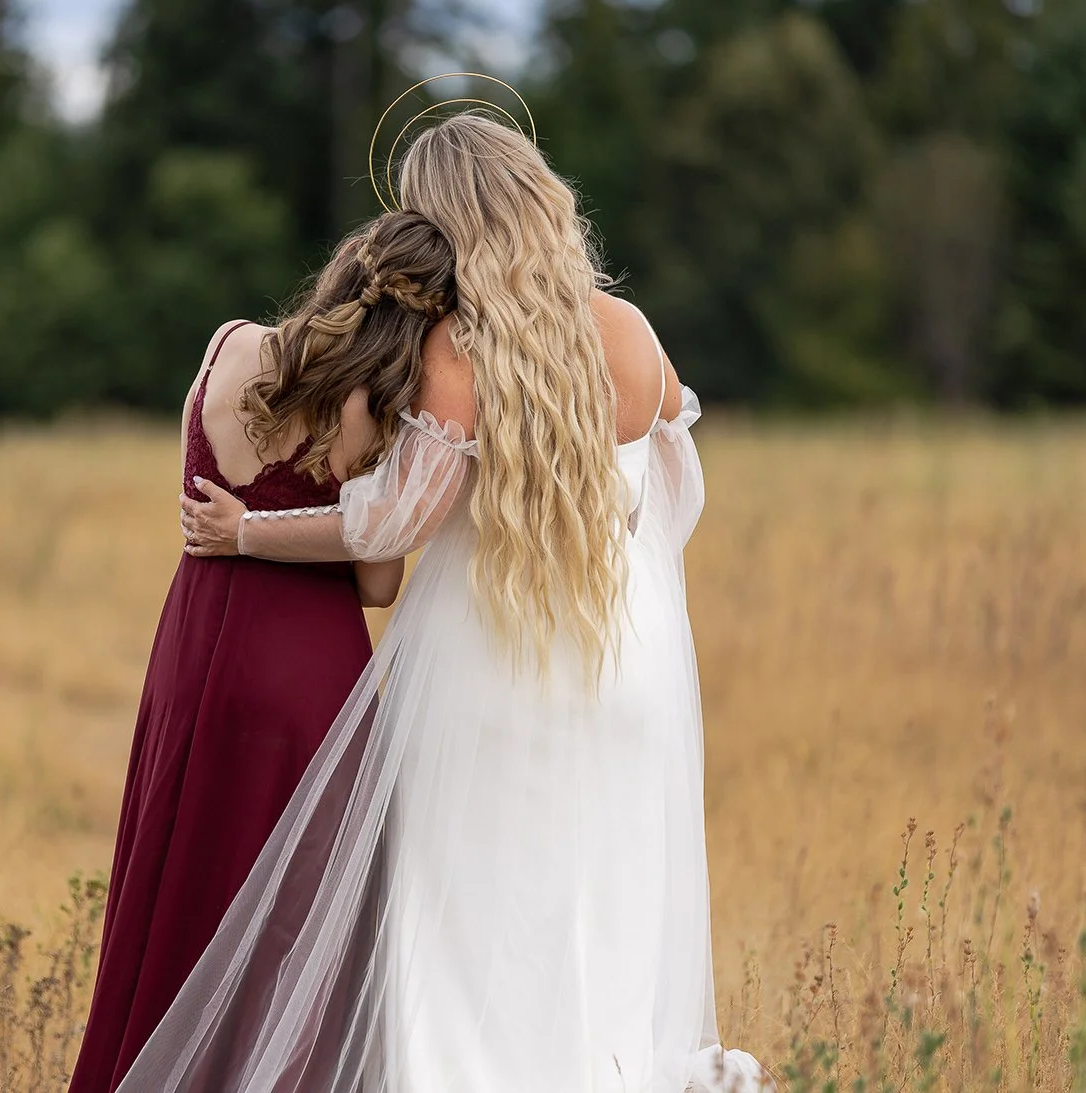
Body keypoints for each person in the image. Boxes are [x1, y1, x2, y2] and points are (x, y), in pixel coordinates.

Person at [145, 111, 769, 1091]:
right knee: (598, 906)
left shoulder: (453, 350)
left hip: (492, 663)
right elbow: (677, 486)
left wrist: (247, 533)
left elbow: (391, 525)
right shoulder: (630, 333)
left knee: (466, 930)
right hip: (624, 664)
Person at [66, 210, 460, 1093]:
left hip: (192, 648)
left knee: (174, 876)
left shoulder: (225, 346)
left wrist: (241, 530)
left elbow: (191, 500)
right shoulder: (373, 413)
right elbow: (378, 583)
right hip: (303, 675)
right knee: (294, 921)